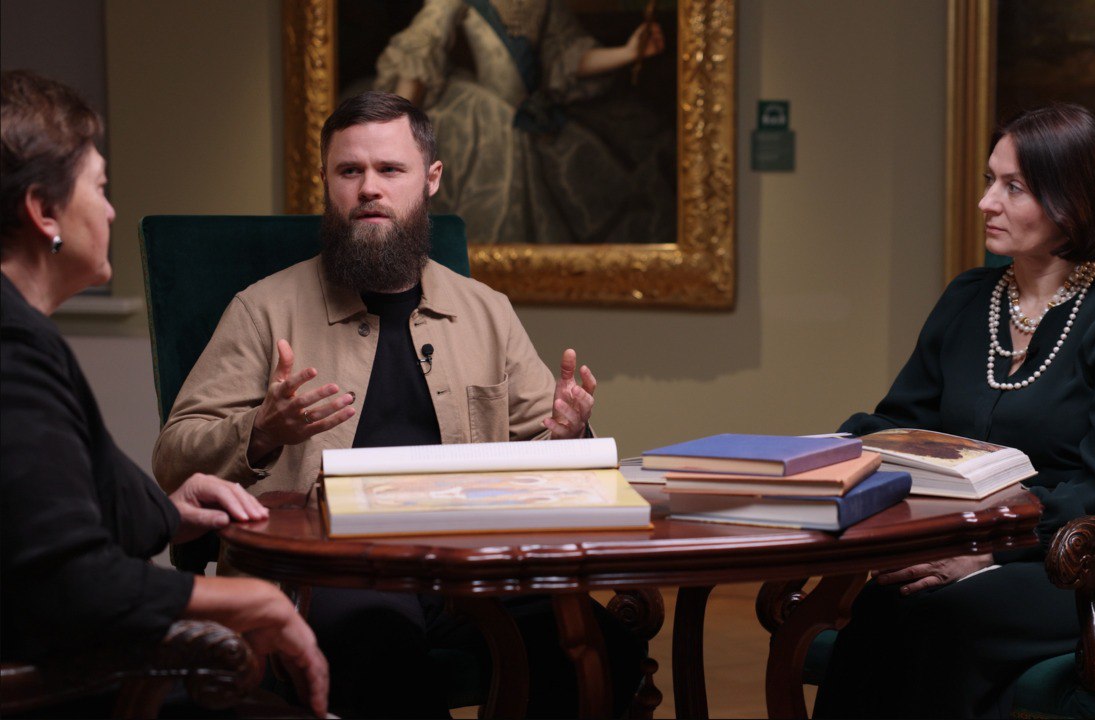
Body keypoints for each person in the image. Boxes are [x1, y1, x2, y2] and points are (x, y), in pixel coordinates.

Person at [152, 90, 639, 718]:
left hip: (470, 573)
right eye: (349, 171)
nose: (369, 189)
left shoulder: (487, 311)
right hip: (330, 573)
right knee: (381, 650)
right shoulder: (262, 310)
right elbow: (173, 458)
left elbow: (540, 450)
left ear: (430, 179)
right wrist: (261, 431)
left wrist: (569, 438)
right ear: (325, 181)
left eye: (389, 169)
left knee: (604, 649)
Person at [813, 104, 1095, 718]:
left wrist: (987, 554)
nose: (986, 202)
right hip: (960, 543)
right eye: (990, 180)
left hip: (1085, 565)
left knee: (943, 620)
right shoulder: (966, 299)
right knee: (879, 607)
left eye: (1014, 187)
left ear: (1072, 201)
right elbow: (902, 424)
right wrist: (834, 448)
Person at [0, 70, 329, 717]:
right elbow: (68, 581)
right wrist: (249, 600)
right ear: (43, 212)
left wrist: (171, 513)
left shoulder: (24, 334)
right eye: (99, 187)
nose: (110, 210)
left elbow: (41, 517)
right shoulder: (13, 350)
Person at [374, 0, 675, 245]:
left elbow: (569, 58)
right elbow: (421, 49)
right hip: (484, 122)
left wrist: (629, 52)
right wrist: (397, 126)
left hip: (534, 118)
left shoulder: (544, 4)